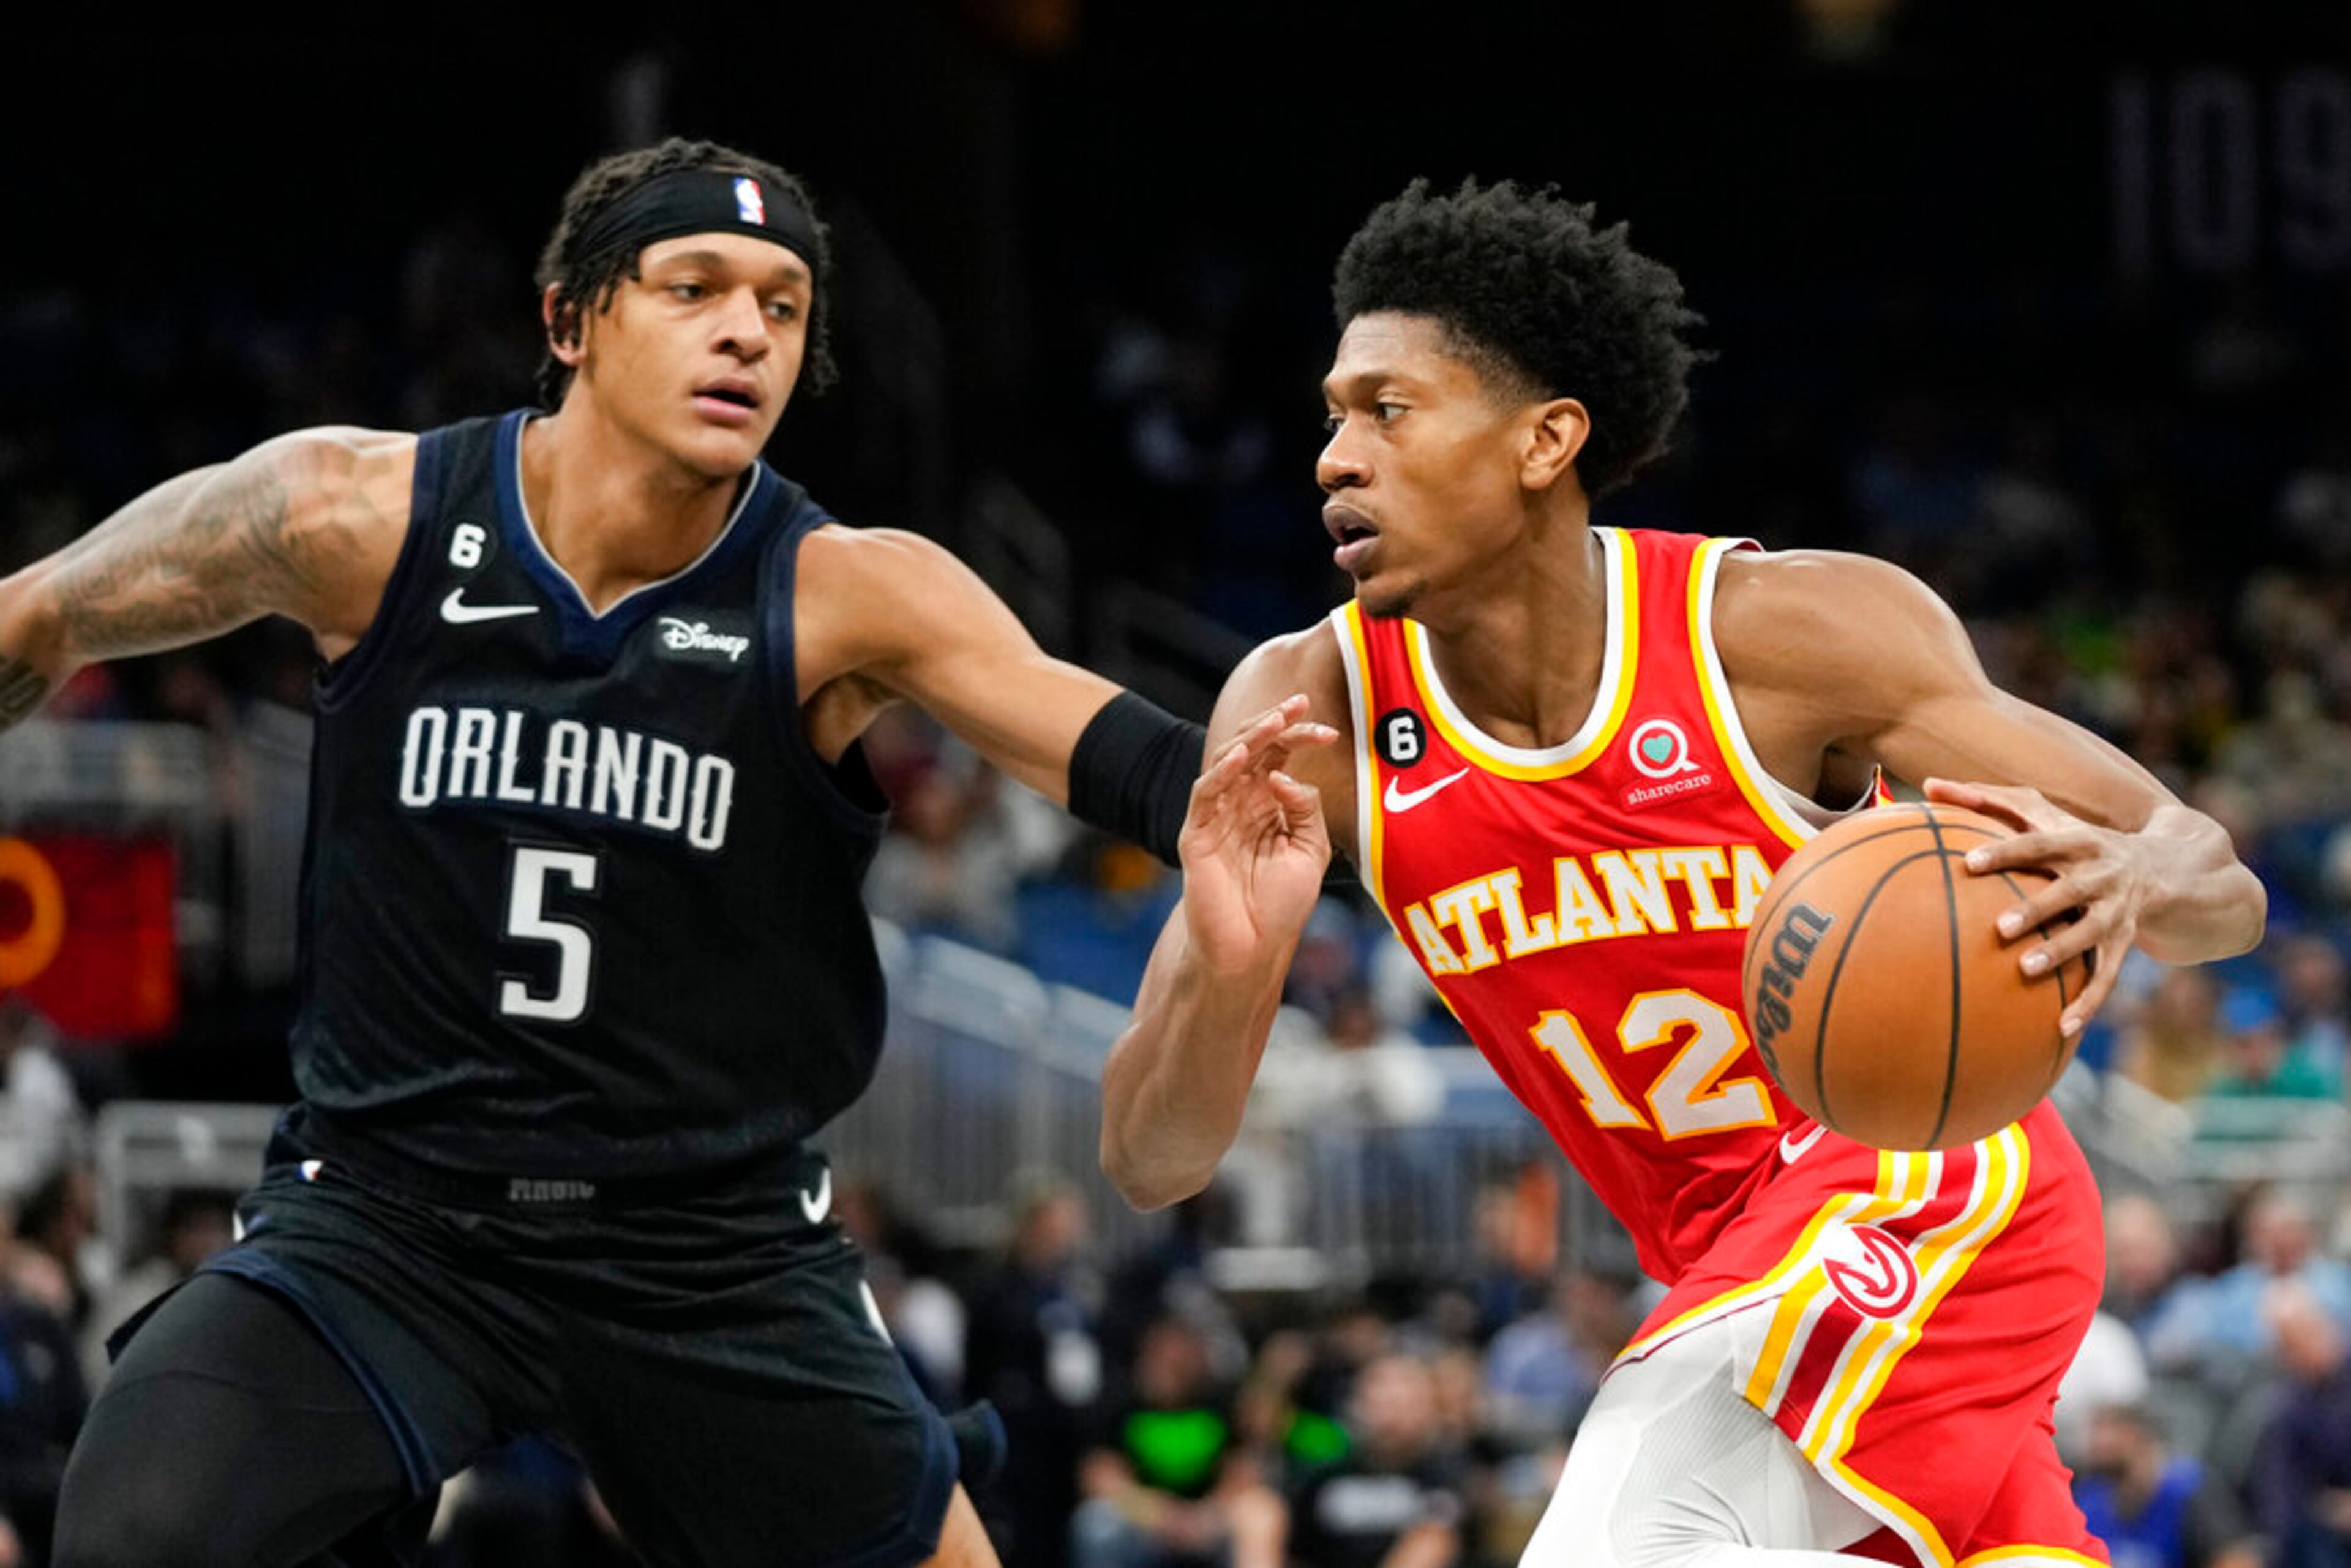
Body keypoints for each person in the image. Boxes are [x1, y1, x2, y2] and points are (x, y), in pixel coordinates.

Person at [0, 137, 1287, 1568]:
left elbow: (1151, 763)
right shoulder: (358, 519)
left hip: (708, 1254)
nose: (749, 330)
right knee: (134, 1529)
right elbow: (37, 619)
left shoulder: (847, 594)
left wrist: (1289, 810)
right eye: (695, 287)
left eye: (786, 306)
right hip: (387, 1221)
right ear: (570, 320)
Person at [1100, 179, 2267, 1568]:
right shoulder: (1310, 710)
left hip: (1932, 1194)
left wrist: (2133, 878)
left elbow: (2222, 886)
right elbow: (1150, 1160)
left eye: (1387, 410)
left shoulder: (1783, 636)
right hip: (1742, 1281)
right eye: (1334, 414)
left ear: (1547, 439)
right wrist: (1236, 962)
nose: (1334, 457)